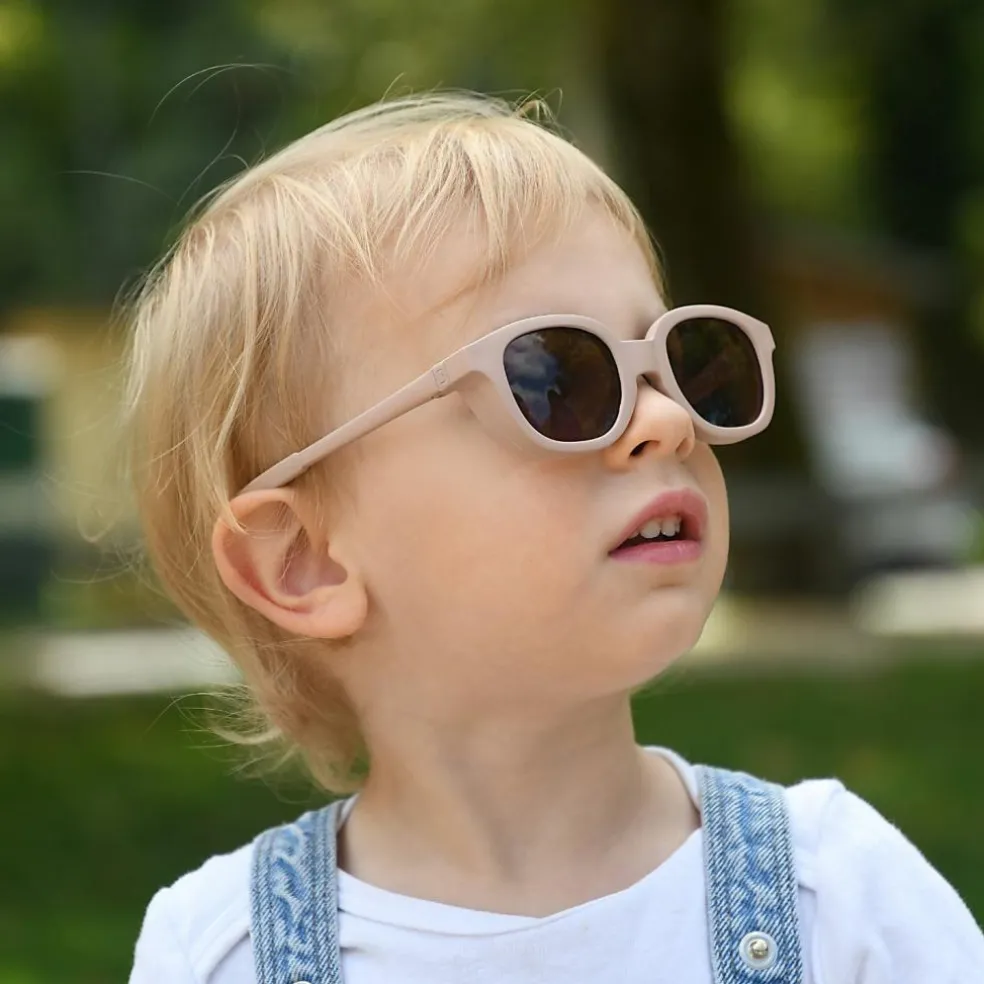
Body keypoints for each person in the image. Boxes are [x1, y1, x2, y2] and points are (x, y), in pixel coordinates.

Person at [125, 93, 983, 984]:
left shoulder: (837, 896)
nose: (667, 421)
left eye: (685, 362)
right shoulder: (222, 954)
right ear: (304, 562)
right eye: (557, 379)